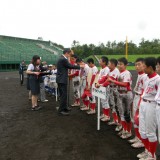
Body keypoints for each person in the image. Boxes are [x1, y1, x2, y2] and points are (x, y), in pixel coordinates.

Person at [138, 57, 160, 160]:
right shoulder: (146, 77)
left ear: (150, 67)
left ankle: (152, 155)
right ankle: (147, 151)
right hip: (143, 103)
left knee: (150, 132)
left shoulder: (158, 79)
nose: (142, 67)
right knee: (142, 130)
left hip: (151, 105)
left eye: (144, 66)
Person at [107, 57, 133, 139]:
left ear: (126, 65)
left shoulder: (127, 73)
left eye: (121, 64)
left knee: (127, 114)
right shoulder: (119, 73)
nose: (119, 66)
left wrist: (113, 81)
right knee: (121, 112)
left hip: (126, 94)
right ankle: (124, 129)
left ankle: (129, 131)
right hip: (120, 94)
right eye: (118, 64)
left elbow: (125, 84)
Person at [56, 48, 84, 116]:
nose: (70, 56)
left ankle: (64, 107)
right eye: (70, 54)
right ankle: (61, 110)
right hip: (62, 79)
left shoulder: (62, 58)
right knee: (63, 95)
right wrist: (79, 66)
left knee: (64, 94)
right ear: (67, 53)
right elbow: (70, 66)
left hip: (61, 79)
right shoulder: (63, 59)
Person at [128, 58, 147, 149]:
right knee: (135, 120)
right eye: (136, 65)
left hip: (140, 98)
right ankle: (137, 137)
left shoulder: (145, 76)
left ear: (144, 65)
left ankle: (141, 141)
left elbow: (144, 92)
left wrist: (139, 103)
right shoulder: (140, 75)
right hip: (136, 96)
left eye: (139, 64)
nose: (137, 66)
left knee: (139, 120)